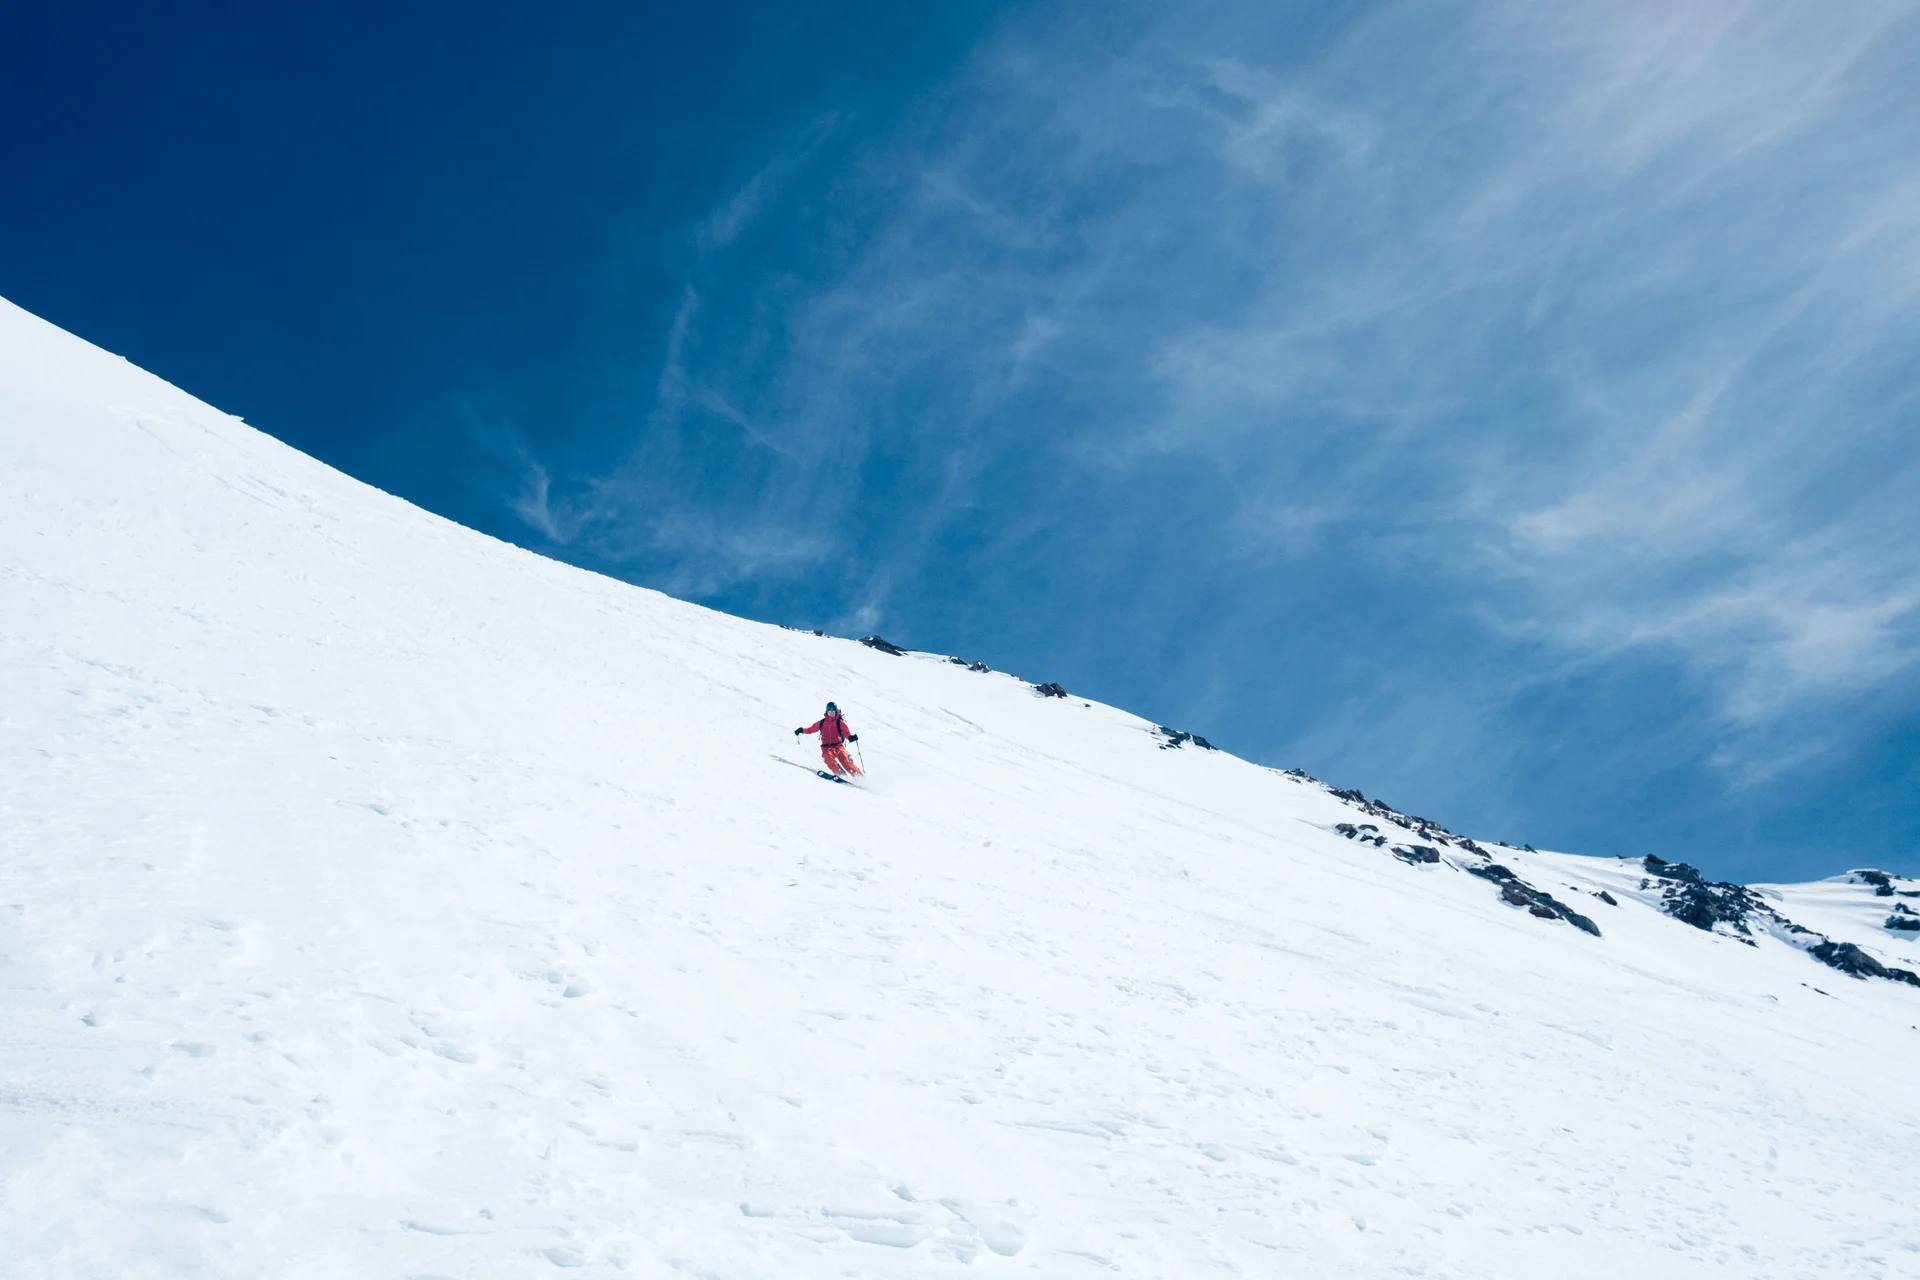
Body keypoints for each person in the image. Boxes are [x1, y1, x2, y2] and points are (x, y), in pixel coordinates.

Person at [796, 701, 862, 776]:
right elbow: (811, 729)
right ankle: (841, 775)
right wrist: (802, 730)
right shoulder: (822, 723)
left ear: (836, 712)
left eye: (833, 712)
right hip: (826, 747)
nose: (831, 714)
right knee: (828, 759)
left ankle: (860, 777)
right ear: (826, 712)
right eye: (829, 711)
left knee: (846, 762)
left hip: (838, 746)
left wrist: (850, 737)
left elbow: (846, 733)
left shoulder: (839, 722)